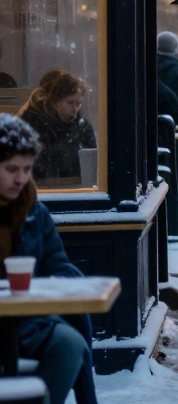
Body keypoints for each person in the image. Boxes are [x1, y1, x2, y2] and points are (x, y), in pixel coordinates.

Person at [0, 114, 98, 404]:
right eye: (11, 169)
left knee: (69, 344)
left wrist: (59, 282)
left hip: (26, 325)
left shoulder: (33, 212)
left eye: (27, 169)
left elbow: (58, 264)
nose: (20, 178)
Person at [18, 71, 95, 182]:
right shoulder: (33, 123)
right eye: (70, 103)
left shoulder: (83, 126)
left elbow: (91, 163)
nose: (75, 109)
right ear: (55, 102)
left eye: (79, 103)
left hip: (77, 186)